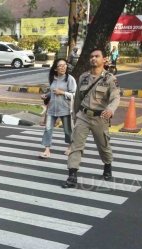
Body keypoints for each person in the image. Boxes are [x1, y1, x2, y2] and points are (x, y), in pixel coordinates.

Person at [62, 48, 120, 188]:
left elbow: (116, 97)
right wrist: (75, 115)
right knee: (76, 145)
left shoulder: (110, 79)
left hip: (100, 117)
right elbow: (77, 99)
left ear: (104, 59)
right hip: (83, 116)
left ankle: (107, 166)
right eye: (92, 56)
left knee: (103, 146)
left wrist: (110, 110)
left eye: (97, 56)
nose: (93, 58)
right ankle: (72, 175)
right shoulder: (83, 77)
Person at [39, 58, 77, 159]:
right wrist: (46, 95)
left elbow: (74, 94)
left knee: (68, 130)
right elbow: (52, 92)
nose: (63, 67)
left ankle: (70, 147)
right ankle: (47, 149)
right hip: (52, 109)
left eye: (64, 65)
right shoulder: (53, 79)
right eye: (60, 65)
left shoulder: (70, 79)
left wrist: (62, 92)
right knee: (48, 129)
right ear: (55, 68)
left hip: (65, 108)